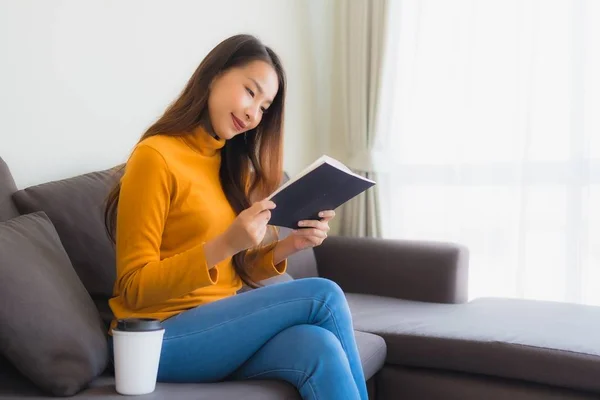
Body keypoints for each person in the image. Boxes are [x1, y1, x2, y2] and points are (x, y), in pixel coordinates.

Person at [103, 34, 368, 400]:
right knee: (323, 296)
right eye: (249, 92)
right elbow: (132, 288)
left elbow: (234, 270)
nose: (252, 113)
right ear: (214, 75)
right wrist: (225, 243)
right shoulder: (156, 157)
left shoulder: (232, 166)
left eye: (264, 107)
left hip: (221, 327)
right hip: (159, 340)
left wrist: (290, 245)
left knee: (316, 345)